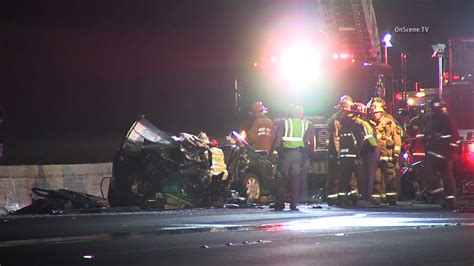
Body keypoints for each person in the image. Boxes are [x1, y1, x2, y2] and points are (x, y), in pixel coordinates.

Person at [272, 105, 315, 210]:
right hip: (298, 154)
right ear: (301, 114)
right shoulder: (306, 124)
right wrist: (308, 156)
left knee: (281, 178)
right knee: (296, 179)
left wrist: (277, 151)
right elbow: (308, 141)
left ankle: (279, 204)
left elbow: (277, 140)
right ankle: (294, 204)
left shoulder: (285, 123)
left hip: (285, 155)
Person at [422, 99, 459, 209]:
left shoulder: (447, 119)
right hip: (433, 154)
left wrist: (452, 151)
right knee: (429, 177)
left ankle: (450, 200)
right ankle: (439, 196)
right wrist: (428, 137)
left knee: (447, 177)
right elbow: (428, 133)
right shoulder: (432, 119)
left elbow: (454, 137)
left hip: (445, 154)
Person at [368, 99, 402, 205]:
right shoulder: (369, 124)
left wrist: (396, 153)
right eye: (373, 113)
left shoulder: (389, 122)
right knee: (376, 178)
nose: (375, 115)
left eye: (377, 113)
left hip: (388, 155)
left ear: (381, 112)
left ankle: (392, 198)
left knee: (390, 178)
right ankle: (377, 198)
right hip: (375, 157)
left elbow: (397, 138)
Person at [326, 95, 356, 206]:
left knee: (349, 177)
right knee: (335, 176)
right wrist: (338, 154)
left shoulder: (351, 118)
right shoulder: (336, 119)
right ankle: (333, 198)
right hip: (337, 153)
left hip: (348, 153)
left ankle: (349, 198)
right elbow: (336, 139)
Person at [350, 102, 380, 208]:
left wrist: (357, 153)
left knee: (365, 175)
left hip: (369, 150)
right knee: (369, 175)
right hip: (373, 150)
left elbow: (360, 139)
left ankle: (366, 198)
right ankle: (367, 197)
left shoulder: (356, 124)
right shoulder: (365, 122)